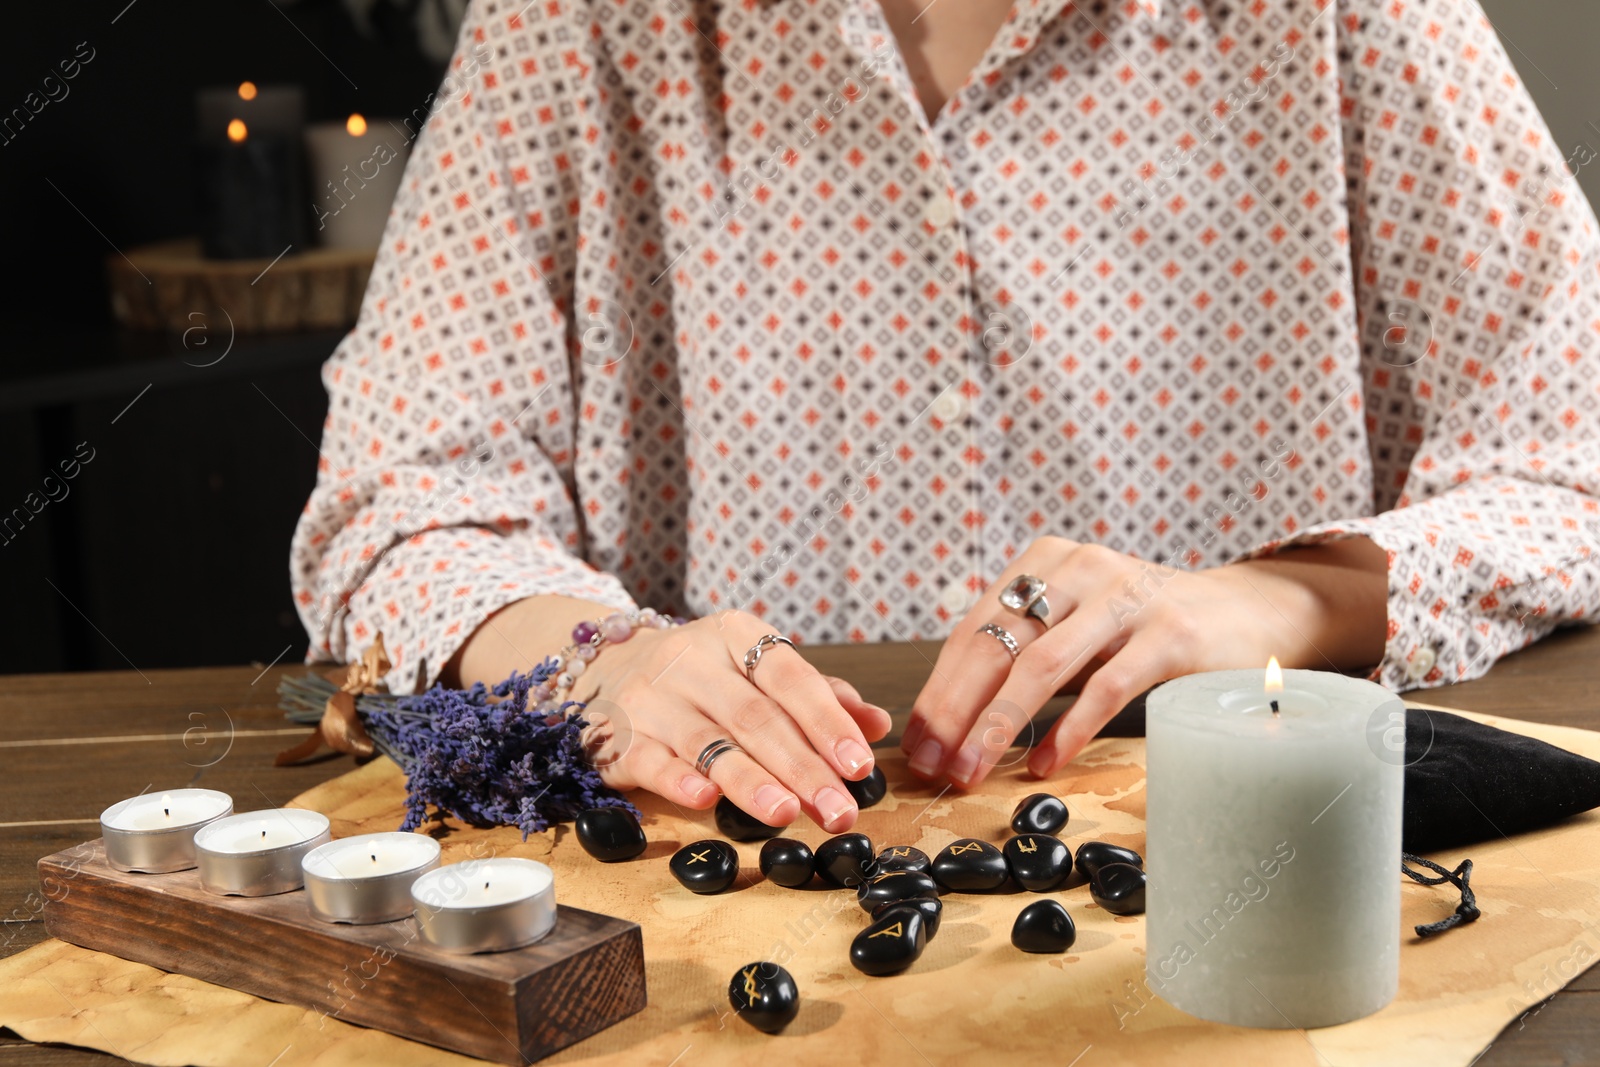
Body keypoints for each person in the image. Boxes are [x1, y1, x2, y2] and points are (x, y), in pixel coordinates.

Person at [292, 0, 1600, 835]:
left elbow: (1576, 453)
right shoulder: (572, 26)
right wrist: (603, 659)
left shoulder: (1348, 16)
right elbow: (398, 506)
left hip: (1259, 878)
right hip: (734, 895)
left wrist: (1283, 598)